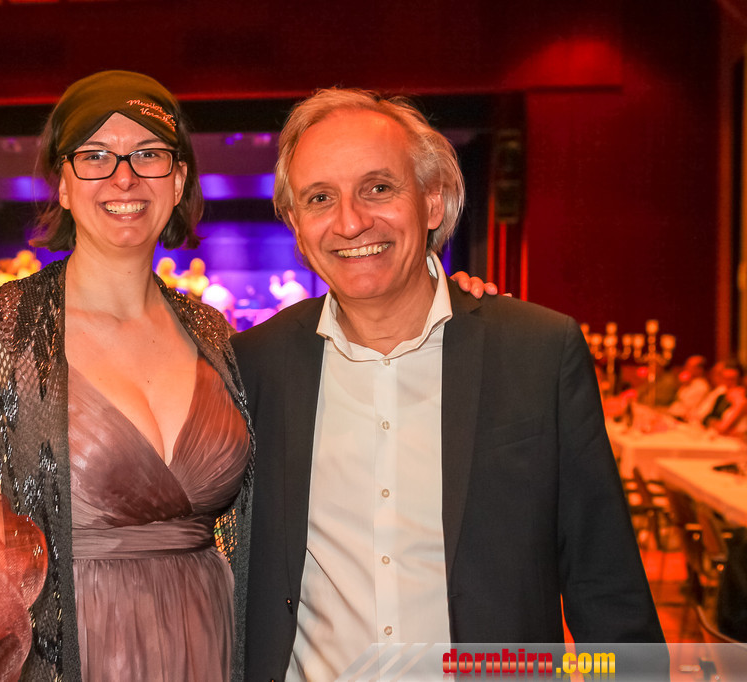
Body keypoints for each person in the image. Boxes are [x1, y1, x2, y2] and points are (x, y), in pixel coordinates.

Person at [231, 88, 665, 680]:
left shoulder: (535, 352)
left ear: (432, 202)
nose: (351, 222)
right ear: (298, 227)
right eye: (320, 198)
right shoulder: (255, 365)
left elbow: (606, 586)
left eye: (378, 188)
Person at [0, 70, 253, 681]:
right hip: (70, 656)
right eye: (95, 156)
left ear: (178, 181)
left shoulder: (214, 334)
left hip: (212, 639)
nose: (124, 177)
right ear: (64, 185)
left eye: (148, 154)